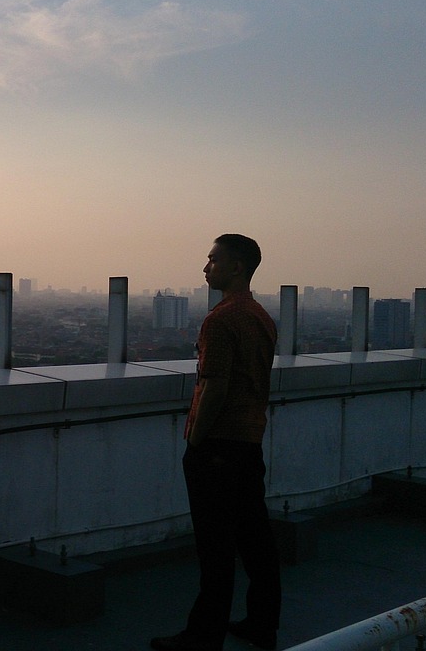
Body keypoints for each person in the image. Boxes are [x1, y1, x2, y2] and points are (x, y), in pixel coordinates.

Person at [151, 234, 281, 651]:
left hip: (219, 446)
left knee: (215, 547)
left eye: (212, 261)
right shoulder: (260, 315)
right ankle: (263, 623)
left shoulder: (221, 319)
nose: (206, 268)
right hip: (249, 439)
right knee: (255, 539)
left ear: (236, 267)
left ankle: (203, 637)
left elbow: (213, 386)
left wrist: (195, 438)